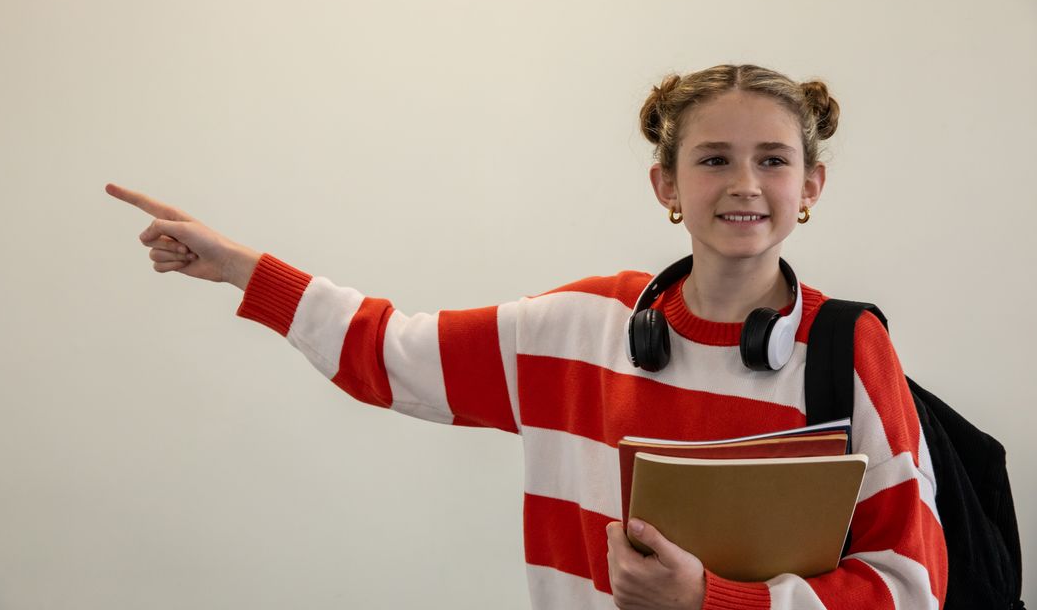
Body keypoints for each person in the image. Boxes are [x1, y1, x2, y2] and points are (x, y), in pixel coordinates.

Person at [106, 63, 947, 609]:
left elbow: (910, 589)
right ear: (667, 183)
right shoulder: (577, 328)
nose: (745, 185)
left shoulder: (847, 350)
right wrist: (243, 270)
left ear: (811, 186)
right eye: (713, 159)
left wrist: (714, 600)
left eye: (772, 160)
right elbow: (382, 352)